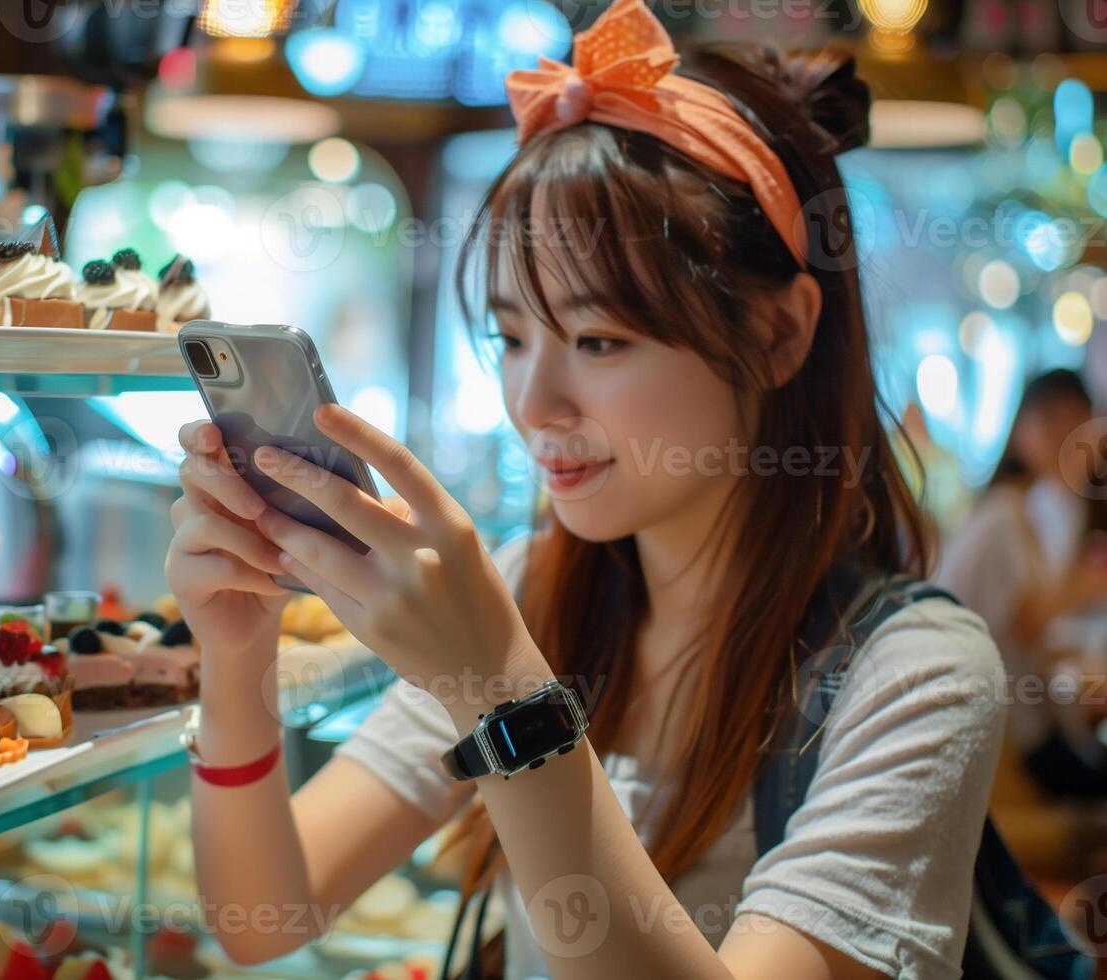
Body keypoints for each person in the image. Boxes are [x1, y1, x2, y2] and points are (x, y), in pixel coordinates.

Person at [165, 4, 1006, 977]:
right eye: (511, 337)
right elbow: (267, 910)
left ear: (780, 334)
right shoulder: (534, 587)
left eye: (601, 340)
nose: (535, 402)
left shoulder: (915, 675)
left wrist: (502, 689)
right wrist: (236, 655)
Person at [937, 369, 1107, 831]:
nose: (1066, 438)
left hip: (1023, 723)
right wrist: (1082, 590)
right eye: (1050, 422)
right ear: (1019, 433)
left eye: (1078, 423)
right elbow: (1025, 630)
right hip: (1006, 739)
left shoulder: (1031, 514)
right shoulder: (1001, 521)